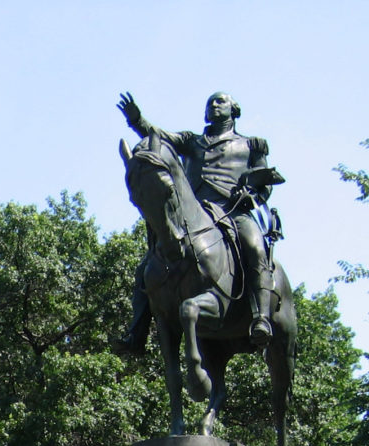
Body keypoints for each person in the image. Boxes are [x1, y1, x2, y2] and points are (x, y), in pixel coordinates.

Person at [115, 91, 283, 352]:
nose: (214, 105)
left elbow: (264, 183)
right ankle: (136, 332)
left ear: (233, 110)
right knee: (147, 266)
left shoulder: (252, 145)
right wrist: (137, 119)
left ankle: (261, 317)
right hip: (195, 213)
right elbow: (157, 136)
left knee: (255, 248)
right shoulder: (191, 142)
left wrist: (253, 196)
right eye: (210, 103)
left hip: (232, 210)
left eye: (220, 101)